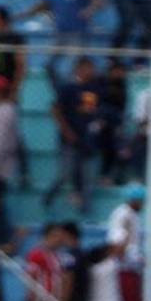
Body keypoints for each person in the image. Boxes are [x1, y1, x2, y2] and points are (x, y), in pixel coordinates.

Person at [21, 0, 101, 80]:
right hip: (59, 32)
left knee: (73, 66)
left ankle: (71, 92)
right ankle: (61, 91)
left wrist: (90, 10)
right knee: (49, 66)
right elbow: (44, 4)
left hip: (77, 33)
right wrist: (25, 14)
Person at [43, 57, 102, 214]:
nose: (92, 72)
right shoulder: (68, 88)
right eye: (88, 68)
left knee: (86, 175)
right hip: (69, 139)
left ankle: (85, 209)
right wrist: (66, 131)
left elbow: (89, 111)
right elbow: (55, 110)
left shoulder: (93, 89)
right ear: (79, 69)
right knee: (65, 173)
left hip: (86, 139)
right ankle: (49, 196)